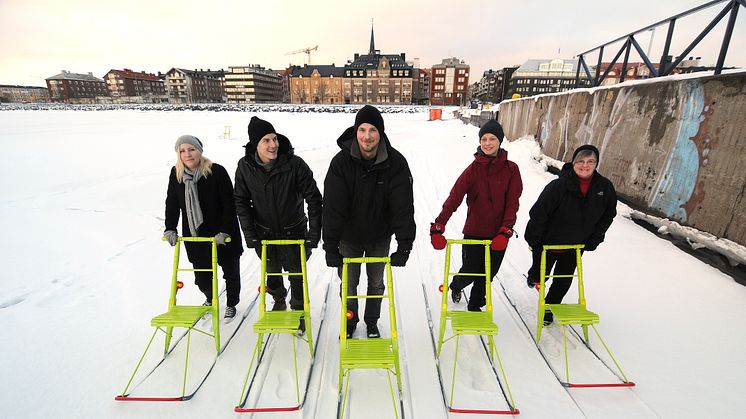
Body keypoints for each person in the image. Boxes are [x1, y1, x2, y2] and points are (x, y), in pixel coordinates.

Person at [323, 105, 415, 339]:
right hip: (348, 237)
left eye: (372, 130)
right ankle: (350, 320)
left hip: (378, 236)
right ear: (355, 132)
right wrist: (331, 246)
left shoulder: (396, 163)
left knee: (376, 284)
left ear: (380, 133)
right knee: (349, 285)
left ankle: (372, 322)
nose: (367, 136)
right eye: (362, 129)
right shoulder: (340, 163)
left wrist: (404, 245)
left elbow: (403, 207)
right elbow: (333, 207)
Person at [234, 116, 322, 329]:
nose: (273, 145)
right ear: (256, 144)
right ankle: (278, 299)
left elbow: (314, 198)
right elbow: (241, 202)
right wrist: (250, 235)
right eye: (266, 140)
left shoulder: (294, 164)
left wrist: (313, 234)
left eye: (274, 139)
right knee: (271, 271)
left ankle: (299, 310)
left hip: (294, 232)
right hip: (264, 234)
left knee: (297, 274)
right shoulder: (245, 167)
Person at [430, 120, 523, 311]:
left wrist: (505, 230)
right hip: (475, 231)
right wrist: (439, 225)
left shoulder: (511, 170)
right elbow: (454, 197)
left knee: (488, 273)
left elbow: (513, 202)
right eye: (484, 139)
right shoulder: (472, 170)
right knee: (471, 271)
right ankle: (456, 285)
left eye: (492, 139)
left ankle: (475, 305)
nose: (488, 143)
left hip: (498, 234)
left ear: (500, 141)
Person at [524, 144, 617, 325]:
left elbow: (608, 214)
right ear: (573, 163)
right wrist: (534, 240)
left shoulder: (604, 187)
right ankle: (533, 277)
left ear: (596, 163)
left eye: (590, 161)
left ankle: (549, 309)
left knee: (563, 281)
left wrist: (594, 239)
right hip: (548, 243)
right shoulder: (558, 186)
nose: (585, 165)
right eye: (581, 161)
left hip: (575, 245)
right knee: (540, 275)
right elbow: (539, 214)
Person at [164, 135, 244, 320]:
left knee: (230, 272)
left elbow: (229, 204)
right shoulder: (176, 174)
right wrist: (170, 227)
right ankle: (209, 296)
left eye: (191, 149)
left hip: (222, 233)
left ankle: (231, 303)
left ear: (199, 150)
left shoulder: (216, 172)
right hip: (195, 235)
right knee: (202, 277)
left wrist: (224, 230)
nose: (187, 154)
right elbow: (173, 202)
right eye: (182, 151)